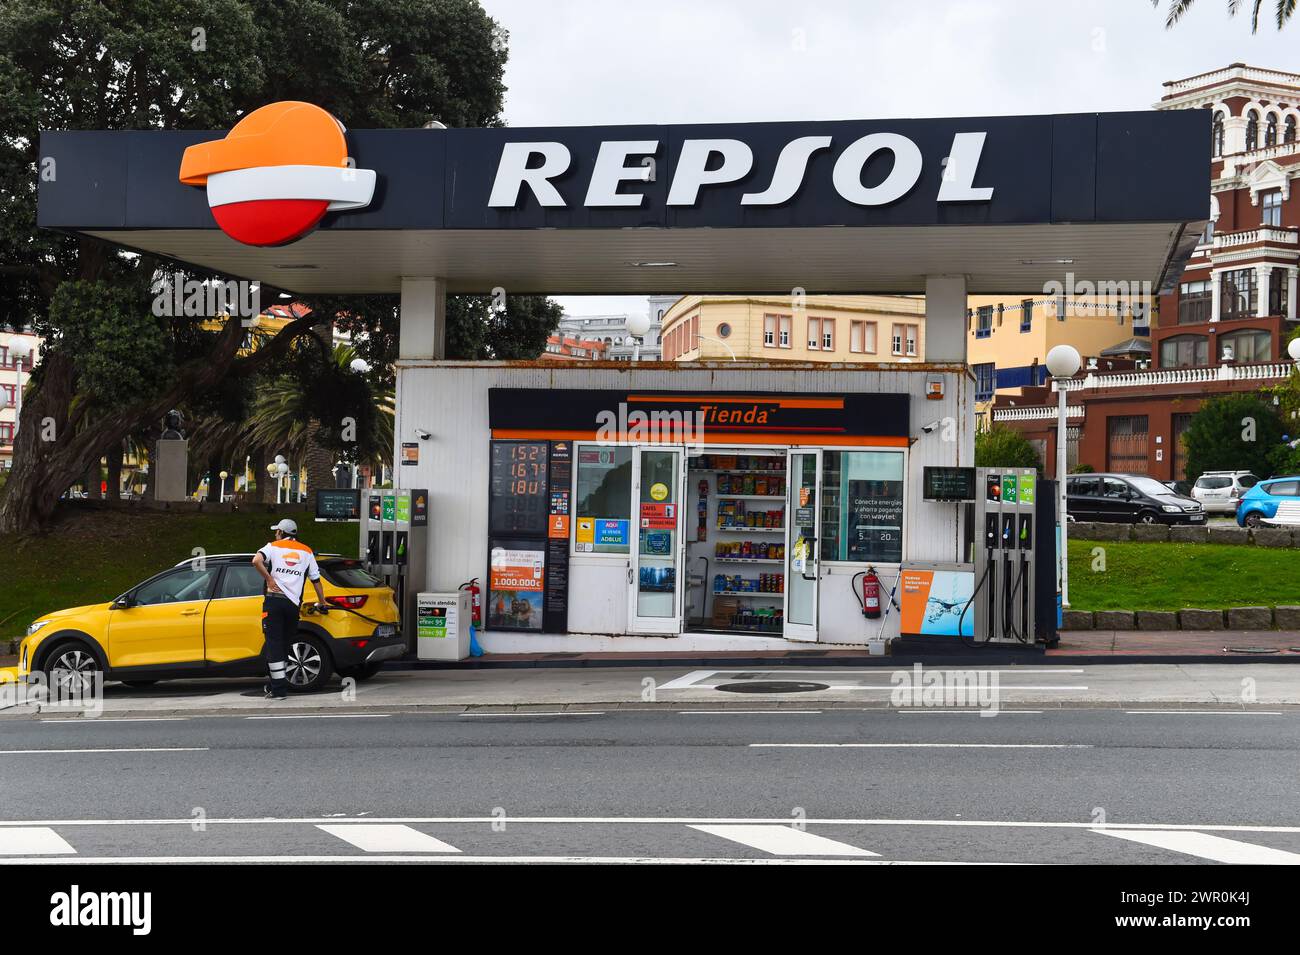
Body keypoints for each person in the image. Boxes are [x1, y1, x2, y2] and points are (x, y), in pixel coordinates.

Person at [252, 518, 327, 699]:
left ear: (281, 532)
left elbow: (256, 561)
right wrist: (322, 602)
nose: (275, 534)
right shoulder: (307, 551)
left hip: (274, 602)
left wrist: (270, 579)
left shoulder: (273, 546)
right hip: (293, 605)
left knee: (274, 644)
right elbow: (316, 580)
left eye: (276, 531)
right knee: (285, 644)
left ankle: (278, 690)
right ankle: (274, 685)